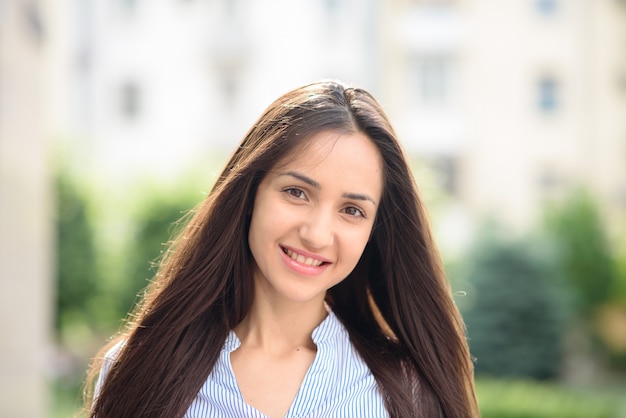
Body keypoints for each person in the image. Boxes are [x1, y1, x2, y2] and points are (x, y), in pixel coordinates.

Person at [85, 80, 479, 417]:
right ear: (250, 192)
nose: (317, 233)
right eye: (296, 192)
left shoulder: (406, 392)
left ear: (375, 231)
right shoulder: (139, 368)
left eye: (352, 210)